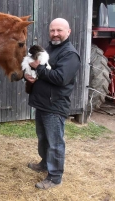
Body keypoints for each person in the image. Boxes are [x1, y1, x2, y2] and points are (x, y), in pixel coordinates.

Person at [24, 18, 81, 190]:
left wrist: (38, 68)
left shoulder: (70, 54)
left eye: (59, 30)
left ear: (68, 32)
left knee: (55, 142)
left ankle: (55, 177)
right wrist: (31, 74)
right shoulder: (49, 49)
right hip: (42, 103)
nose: (55, 34)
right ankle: (44, 163)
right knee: (43, 139)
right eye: (52, 30)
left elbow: (61, 78)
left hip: (55, 106)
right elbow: (41, 69)